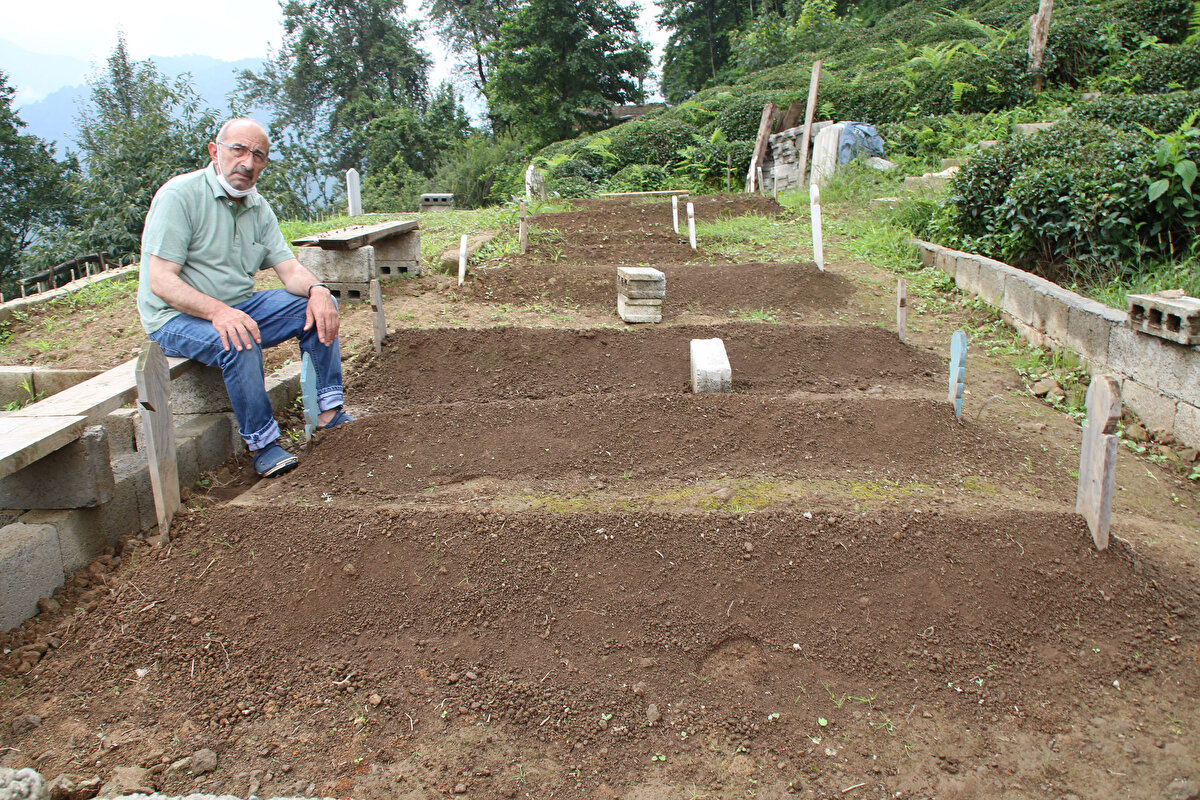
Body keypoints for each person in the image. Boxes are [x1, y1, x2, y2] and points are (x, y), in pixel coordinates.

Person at [136, 117, 352, 478]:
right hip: (174, 318)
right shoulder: (180, 197)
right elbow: (161, 282)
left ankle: (329, 412)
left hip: (237, 306)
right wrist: (219, 313)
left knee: (314, 309)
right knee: (238, 338)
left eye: (258, 156)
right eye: (238, 150)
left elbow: (289, 270)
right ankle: (263, 443)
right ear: (214, 151)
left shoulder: (257, 206)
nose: (247, 163)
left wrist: (318, 290)